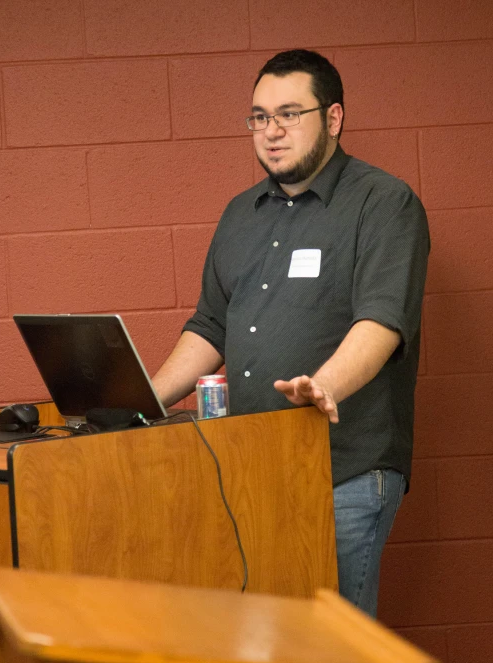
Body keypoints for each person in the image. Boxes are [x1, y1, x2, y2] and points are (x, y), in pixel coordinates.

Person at [152, 49, 429, 618]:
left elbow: (381, 320)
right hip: (253, 469)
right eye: (259, 117)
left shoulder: (384, 203)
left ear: (332, 119)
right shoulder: (240, 214)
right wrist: (141, 400)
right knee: (275, 644)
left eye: (289, 114)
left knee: (337, 649)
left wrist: (323, 385)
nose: (271, 133)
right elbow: (210, 326)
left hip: (344, 468)